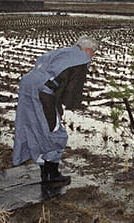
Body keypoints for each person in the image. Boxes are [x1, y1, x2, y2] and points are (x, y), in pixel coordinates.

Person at [13, 35, 98, 183]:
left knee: (35, 128)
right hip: (43, 94)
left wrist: (56, 104)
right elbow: (71, 91)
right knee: (55, 133)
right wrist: (65, 106)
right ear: (87, 49)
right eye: (93, 51)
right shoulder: (81, 59)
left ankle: (45, 172)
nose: (93, 55)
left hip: (27, 87)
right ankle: (53, 174)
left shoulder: (64, 51)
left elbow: (47, 71)